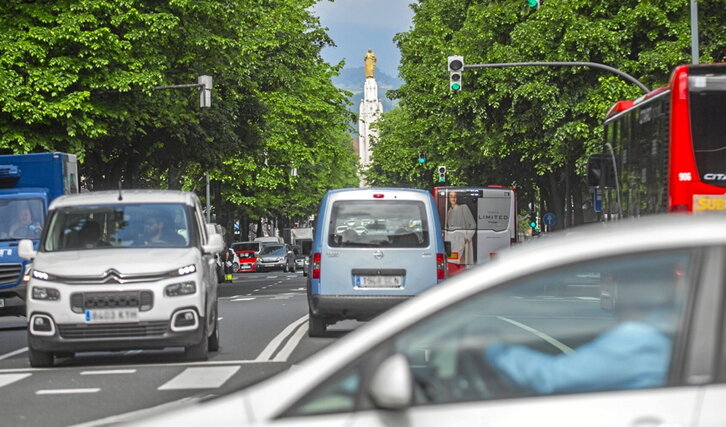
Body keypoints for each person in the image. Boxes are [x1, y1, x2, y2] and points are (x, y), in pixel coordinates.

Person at [483, 263, 685, 395]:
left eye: (613, 282)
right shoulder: (671, 326)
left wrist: (492, 348)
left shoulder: (638, 340)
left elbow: (550, 378)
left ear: (626, 291)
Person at [445, 191, 476, 264]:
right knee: (451, 261)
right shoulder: (449, 212)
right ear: (449, 198)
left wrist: (467, 238)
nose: (453, 198)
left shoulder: (463, 208)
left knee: (458, 261)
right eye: (451, 196)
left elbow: (473, 224)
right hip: (450, 241)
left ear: (457, 198)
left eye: (455, 196)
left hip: (460, 239)